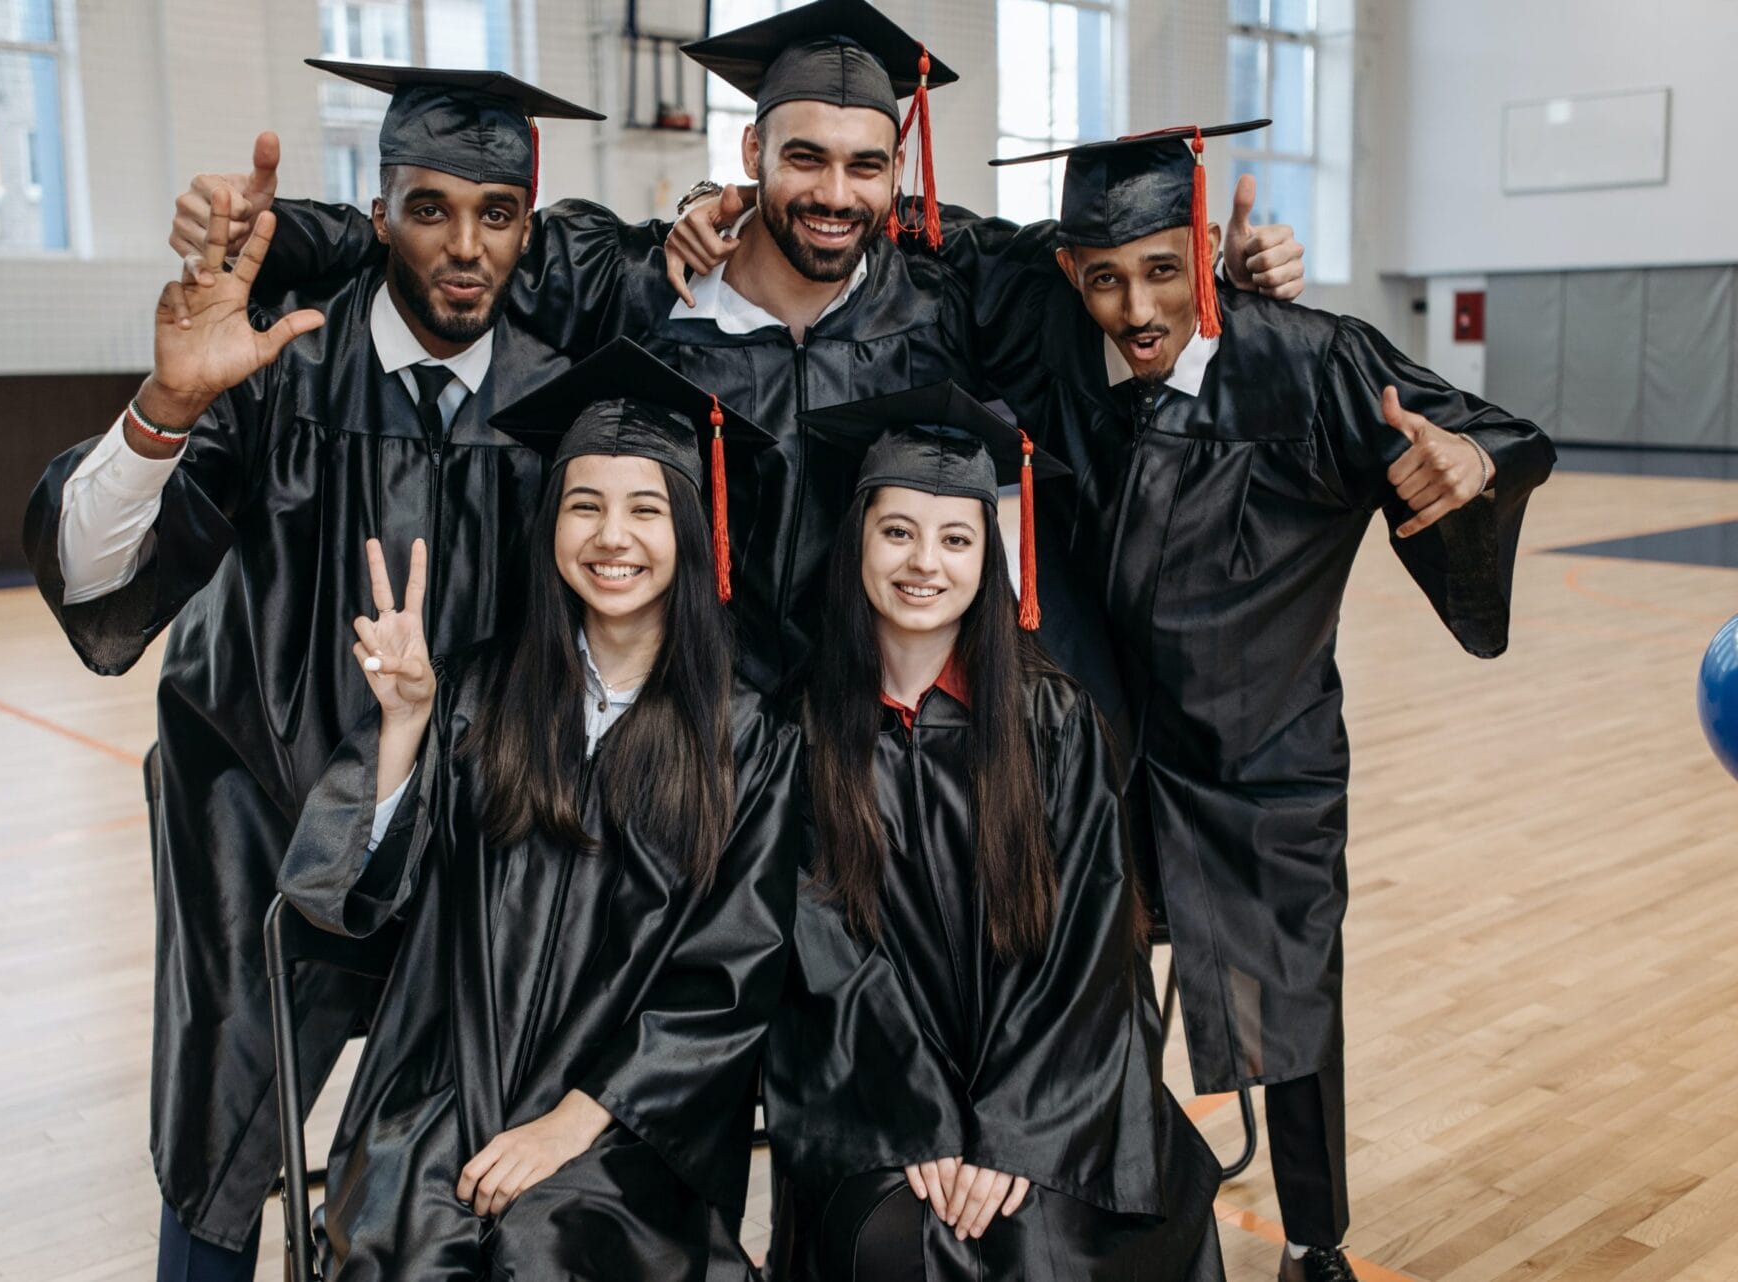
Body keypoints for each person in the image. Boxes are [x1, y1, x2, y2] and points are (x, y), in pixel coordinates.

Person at [172, 0, 1306, 696]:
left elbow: (1109, 280)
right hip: (703, 717)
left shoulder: (951, 293)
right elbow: (457, 247)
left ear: (898, 175)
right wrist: (273, 238)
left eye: (868, 165)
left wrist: (1232, 280)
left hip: (884, 709)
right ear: (752, 151)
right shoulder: (642, 284)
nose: (836, 191)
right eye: (805, 159)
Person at [912, 122, 1554, 1282]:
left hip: (1266, 763)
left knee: (1287, 1009)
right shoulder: (1053, 332)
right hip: (1107, 762)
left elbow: (1496, 432)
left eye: (1166, 267)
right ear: (1070, 274)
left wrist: (1472, 460)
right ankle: (1090, 1194)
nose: (1137, 306)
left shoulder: (1310, 361)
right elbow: (941, 242)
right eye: (1104, 278)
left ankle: (1315, 1239)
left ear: (1207, 248)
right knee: (1063, 968)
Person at [20, 64, 601, 1280]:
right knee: (224, 1140)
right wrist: (164, 409)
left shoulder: (558, 397)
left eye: (495, 215)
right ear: (378, 210)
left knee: (448, 1165)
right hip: (259, 815)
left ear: (528, 231)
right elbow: (98, 574)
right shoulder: (279, 361)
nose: (463, 246)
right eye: (428, 208)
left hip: (467, 832)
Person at [277, 339, 798, 1280]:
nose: (612, 538)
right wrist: (403, 726)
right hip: (444, 1096)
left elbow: (731, 970)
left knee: (546, 1248)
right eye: (584, 506)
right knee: (414, 1253)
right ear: (549, 526)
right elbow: (345, 892)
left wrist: (573, 1120)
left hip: (629, 1125)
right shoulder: (477, 693)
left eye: (645, 509)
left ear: (689, 529)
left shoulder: (745, 738)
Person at [759, 382, 1225, 1281]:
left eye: (956, 538)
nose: (923, 562)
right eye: (897, 531)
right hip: (874, 1101)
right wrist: (920, 1117)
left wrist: (1011, 1128)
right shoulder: (800, 732)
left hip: (1053, 1098)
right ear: (857, 538)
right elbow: (819, 953)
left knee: (1056, 1240)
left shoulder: (1052, 721)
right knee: (919, 1242)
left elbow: (1092, 948)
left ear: (991, 560)